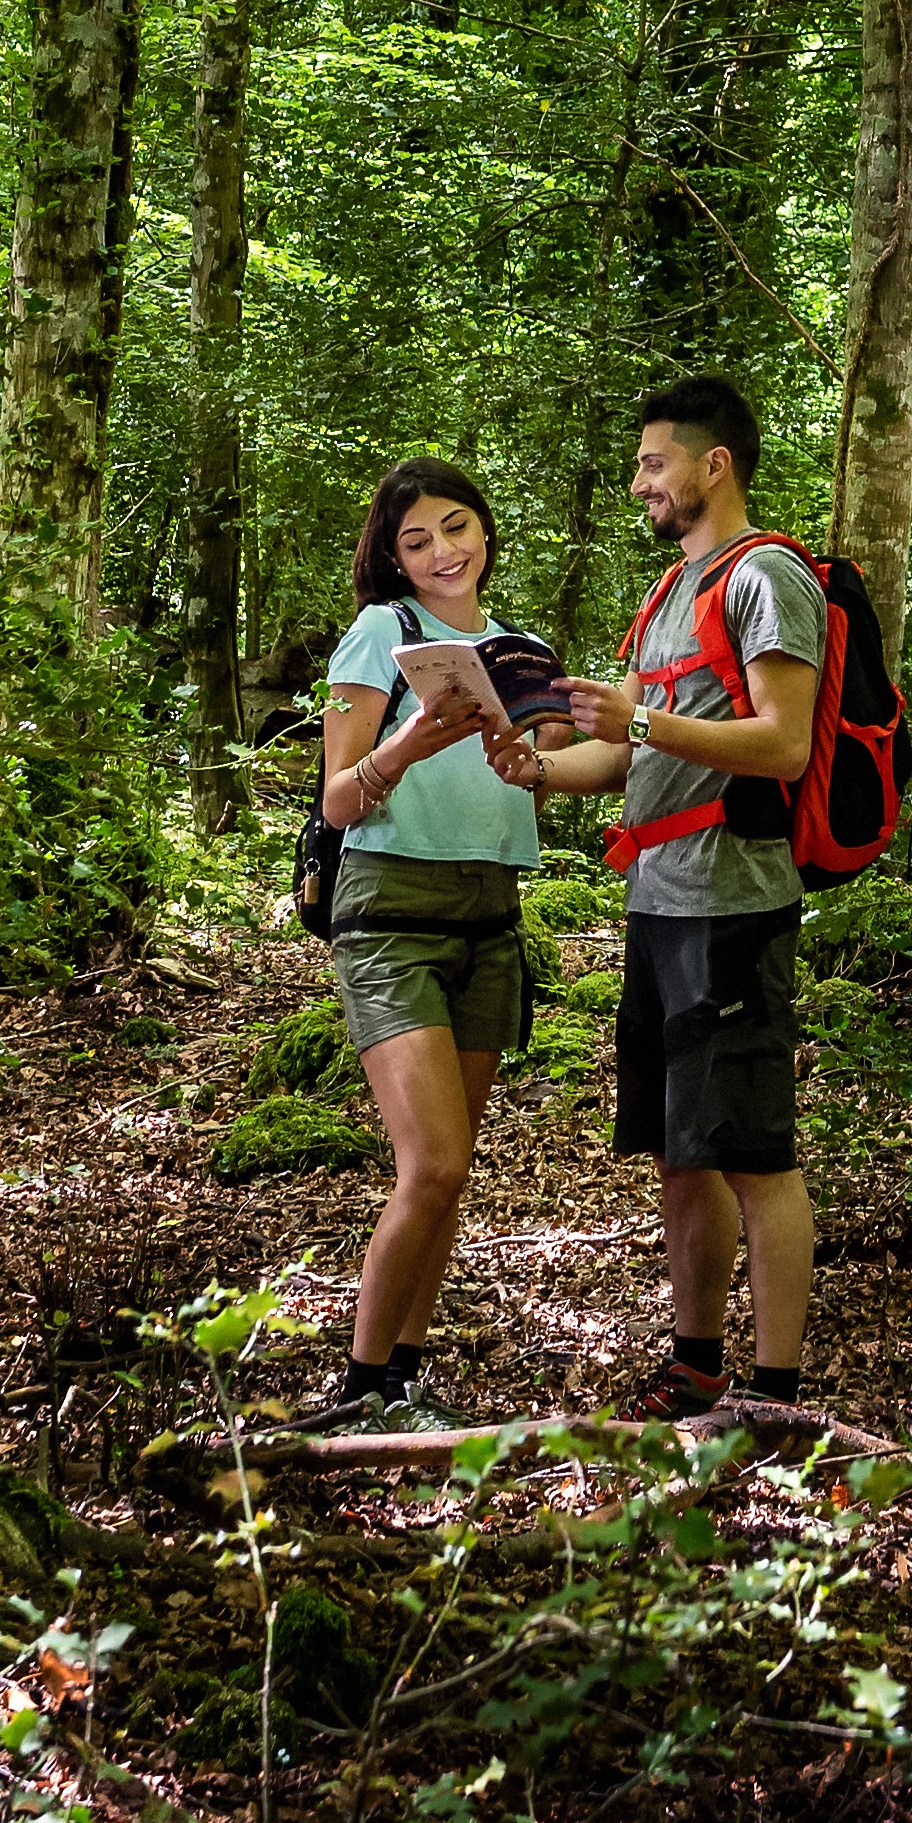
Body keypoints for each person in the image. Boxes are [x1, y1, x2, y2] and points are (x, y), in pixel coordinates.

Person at [303, 456, 611, 1426]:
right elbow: (339, 796)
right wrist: (411, 741)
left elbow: (560, 762)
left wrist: (535, 757)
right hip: (390, 907)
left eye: (456, 526)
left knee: (454, 1166)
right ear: (393, 559)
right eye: (416, 539)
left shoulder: (524, 649)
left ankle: (403, 1377)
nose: (443, 550)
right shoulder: (380, 634)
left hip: (491, 913)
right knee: (430, 1161)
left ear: (486, 530)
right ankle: (358, 1388)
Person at [584, 373, 825, 1432]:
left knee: (752, 1151)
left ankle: (773, 1397)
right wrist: (535, 761)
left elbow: (782, 740)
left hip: (734, 903)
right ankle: (696, 1367)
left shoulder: (766, 576)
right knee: (685, 1148)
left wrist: (641, 721)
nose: (640, 483)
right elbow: (628, 755)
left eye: (652, 463)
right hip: (661, 901)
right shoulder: (668, 594)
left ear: (710, 464)